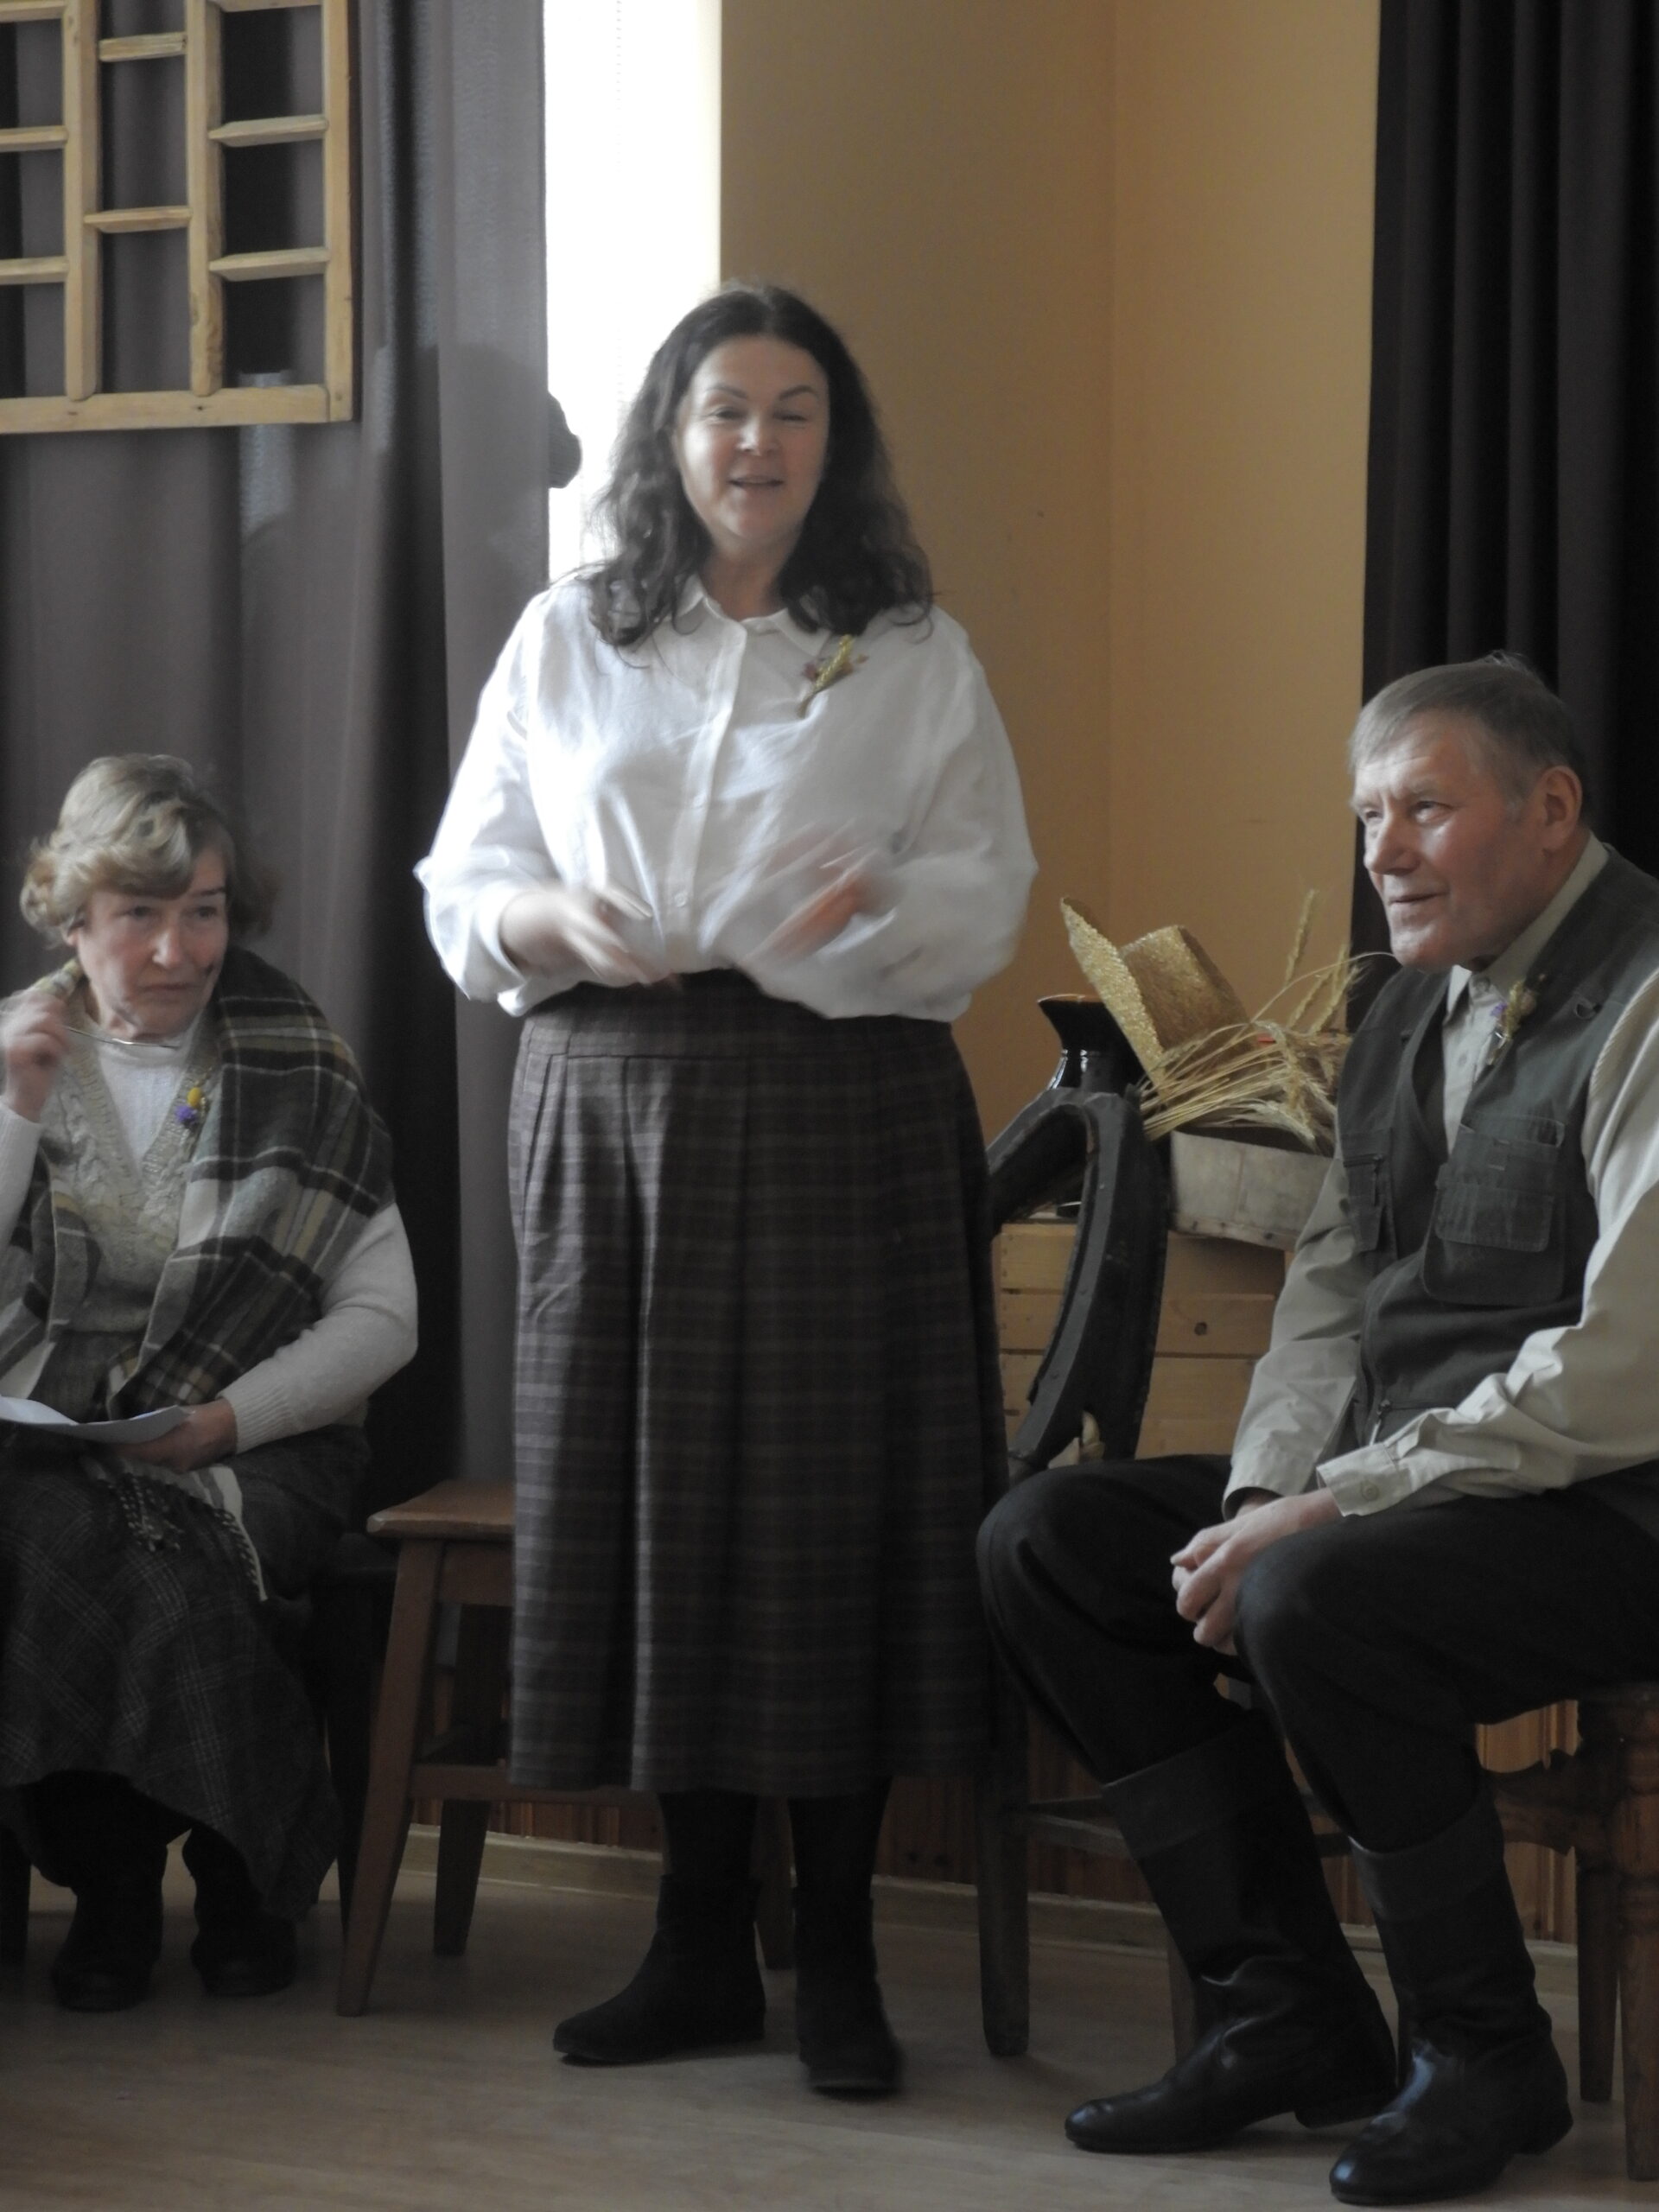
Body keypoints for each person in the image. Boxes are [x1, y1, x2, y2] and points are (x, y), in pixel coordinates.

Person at [418, 281, 1033, 2094]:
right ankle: (696, 1941)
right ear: (670, 438)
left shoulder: (911, 649)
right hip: (612, 1097)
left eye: (793, 411)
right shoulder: (568, 634)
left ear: (836, 444)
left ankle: (837, 1950)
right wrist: (549, 915)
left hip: (844, 1095)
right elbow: (468, 879)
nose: (756, 442)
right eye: (724, 410)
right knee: (654, 1514)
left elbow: (986, 888)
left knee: (835, 1519)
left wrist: (869, 908)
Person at [979, 657, 1659, 2204]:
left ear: (1553, 811)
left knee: (1313, 1591)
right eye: (1366, 818)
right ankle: (1286, 2013)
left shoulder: (1647, 998)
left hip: (1619, 1506)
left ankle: (1484, 2053)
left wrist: (1338, 1507)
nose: (1383, 853)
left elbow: (1630, 1368)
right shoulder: (1405, 1010)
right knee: (1052, 1544)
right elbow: (1331, 1299)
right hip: (1424, 1493)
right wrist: (1265, 1490)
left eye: (1425, 809)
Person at [0, 755, 417, 2012]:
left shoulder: (302, 1064)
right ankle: (203, 1874)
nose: (178, 950)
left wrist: (220, 1426)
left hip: (265, 1441)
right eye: (141, 913)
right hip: (48, 1436)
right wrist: (14, 1114)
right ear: (73, 918)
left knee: (134, 1544)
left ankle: (151, 1891)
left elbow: (384, 1320)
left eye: (206, 911)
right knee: (64, 1534)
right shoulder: (15, 1050)